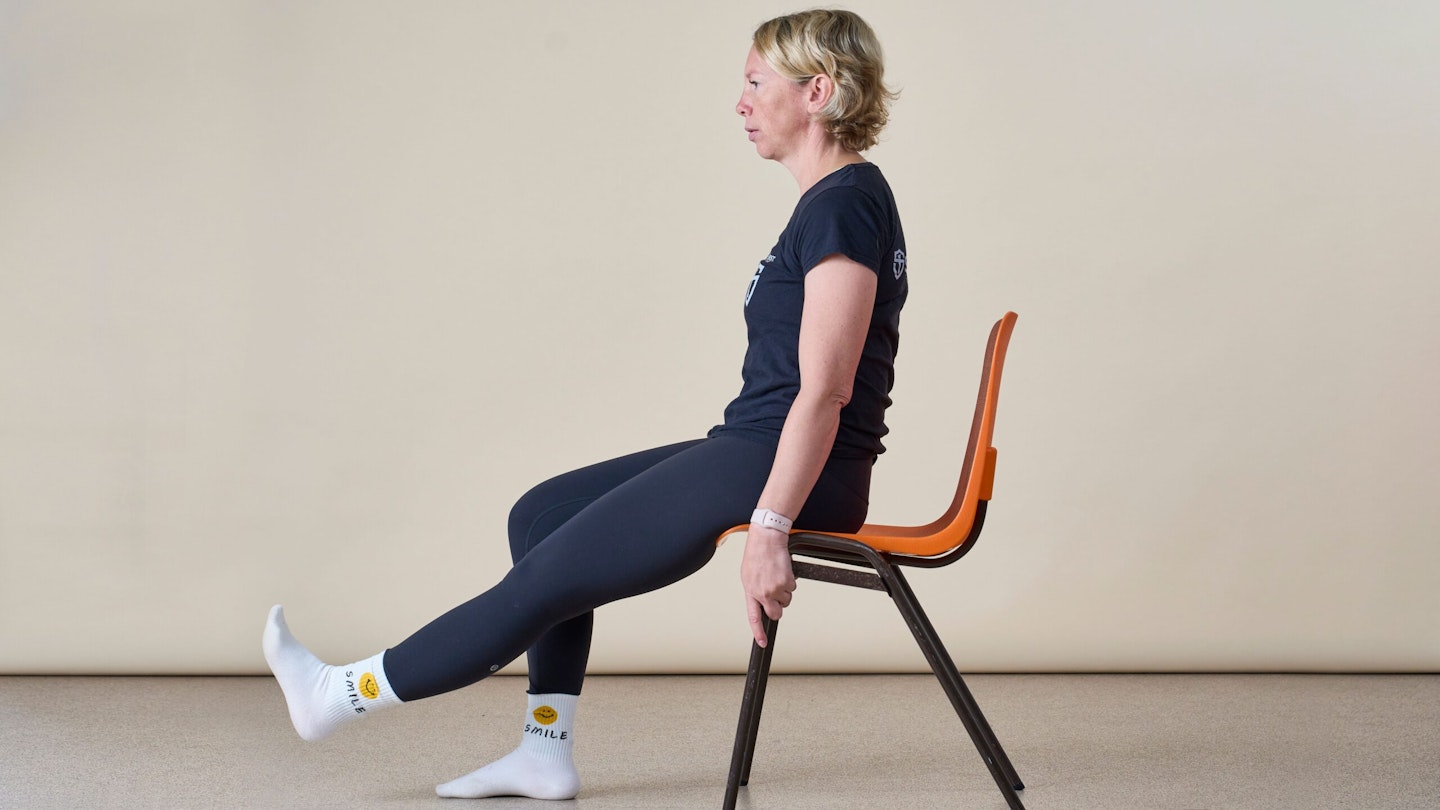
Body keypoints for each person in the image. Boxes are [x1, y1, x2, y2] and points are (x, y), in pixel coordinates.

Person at [263, 8, 906, 800]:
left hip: (792, 463)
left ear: (816, 92)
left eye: (753, 82)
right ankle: (544, 750)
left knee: (540, 585)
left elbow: (829, 388)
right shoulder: (832, 202)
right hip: (757, 445)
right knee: (542, 515)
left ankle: (338, 697)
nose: (738, 102)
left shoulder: (844, 204)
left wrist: (772, 525)